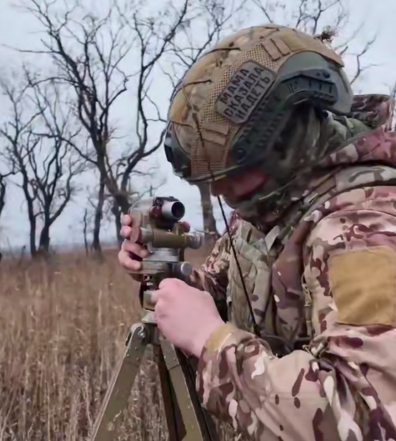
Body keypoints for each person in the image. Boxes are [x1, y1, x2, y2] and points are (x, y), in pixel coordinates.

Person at [118, 23, 396, 440]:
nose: (218, 191)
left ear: (282, 146)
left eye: (230, 174)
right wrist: (166, 270)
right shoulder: (270, 203)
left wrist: (211, 342)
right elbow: (223, 290)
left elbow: (365, 416)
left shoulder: (363, 227)